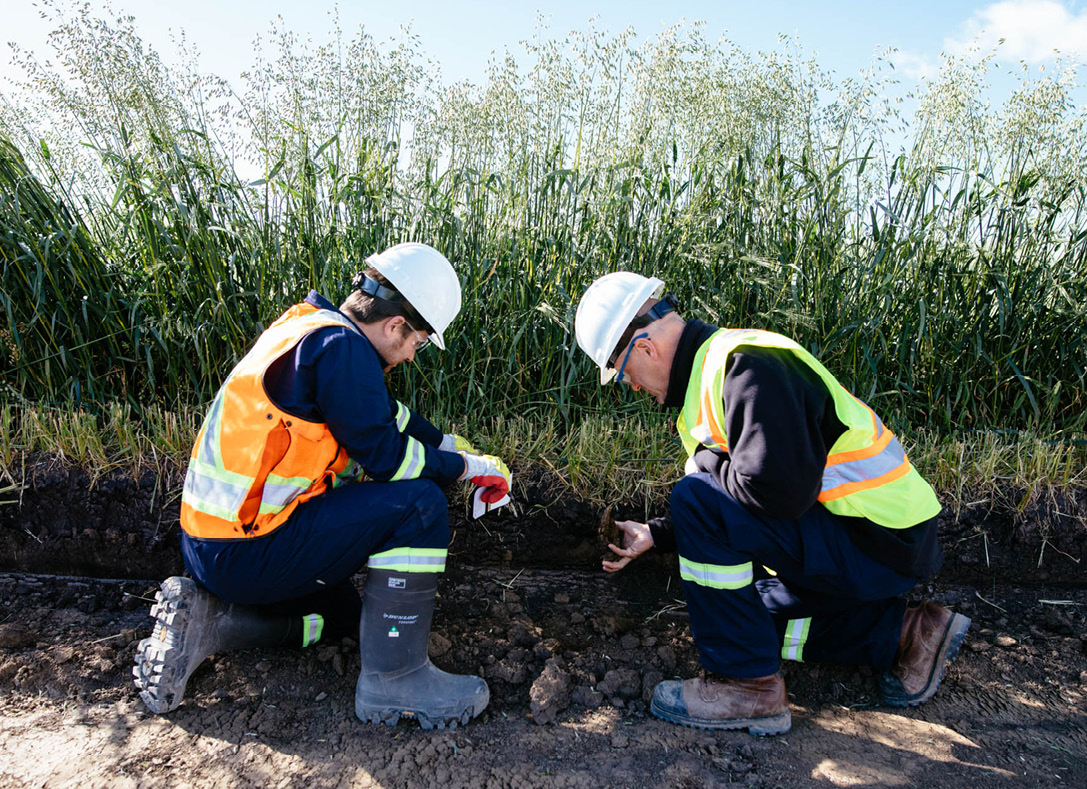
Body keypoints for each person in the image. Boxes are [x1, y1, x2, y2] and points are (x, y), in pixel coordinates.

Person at [133, 242, 511, 730]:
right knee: (419, 504)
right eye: (417, 341)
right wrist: (462, 469)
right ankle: (396, 680)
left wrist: (453, 444)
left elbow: (383, 416)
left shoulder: (312, 330)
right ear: (396, 325)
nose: (412, 356)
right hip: (251, 549)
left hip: (216, 549)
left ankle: (216, 627)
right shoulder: (343, 350)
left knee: (347, 617)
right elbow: (389, 459)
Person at [574, 272, 970, 736]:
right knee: (745, 620)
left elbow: (773, 493)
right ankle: (908, 634)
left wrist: (702, 466)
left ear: (645, 348)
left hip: (880, 538)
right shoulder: (710, 378)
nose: (633, 387)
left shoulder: (746, 367)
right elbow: (737, 498)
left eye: (623, 374)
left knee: (694, 499)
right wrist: (659, 533)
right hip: (860, 537)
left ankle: (749, 687)